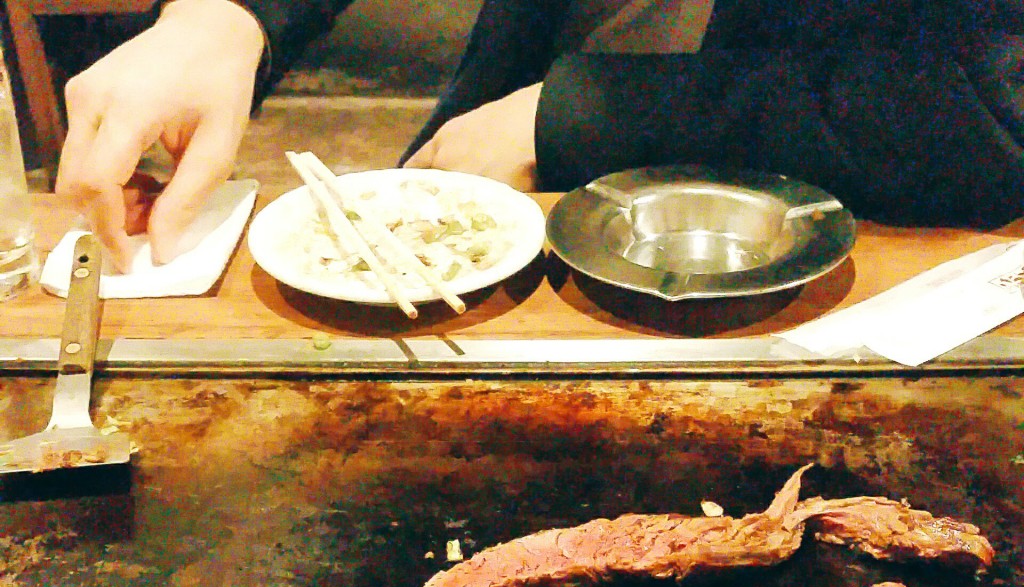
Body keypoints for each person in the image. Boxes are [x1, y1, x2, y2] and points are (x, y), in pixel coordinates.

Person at [56, 0, 1024, 273]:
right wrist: (226, 20)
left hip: (841, 254)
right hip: (521, 180)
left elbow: (988, 110)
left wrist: (567, 118)